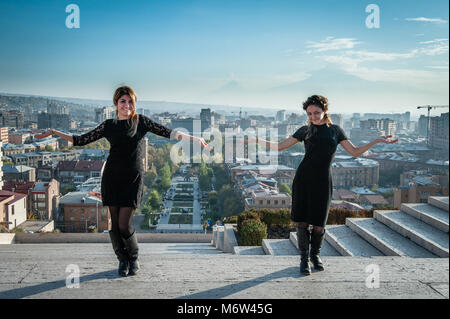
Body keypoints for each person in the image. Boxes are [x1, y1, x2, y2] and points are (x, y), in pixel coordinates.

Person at [36, 85, 212, 277]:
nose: (127, 105)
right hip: (112, 177)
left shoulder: (140, 122)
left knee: (124, 224)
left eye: (130, 101)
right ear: (115, 103)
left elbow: (168, 132)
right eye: (123, 101)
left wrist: (193, 138)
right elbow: (79, 140)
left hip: (133, 178)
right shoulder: (108, 125)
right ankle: (122, 261)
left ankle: (133, 258)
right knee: (114, 225)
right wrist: (54, 132)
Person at [244, 95, 397, 275]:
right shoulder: (305, 130)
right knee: (302, 222)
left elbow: (355, 152)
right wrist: (256, 140)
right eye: (309, 114)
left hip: (323, 181)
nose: (313, 117)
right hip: (303, 180)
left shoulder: (335, 131)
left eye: (316, 113)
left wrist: (377, 140)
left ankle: (315, 256)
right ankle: (303, 259)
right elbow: (279, 146)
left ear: (325, 111)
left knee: (319, 224)